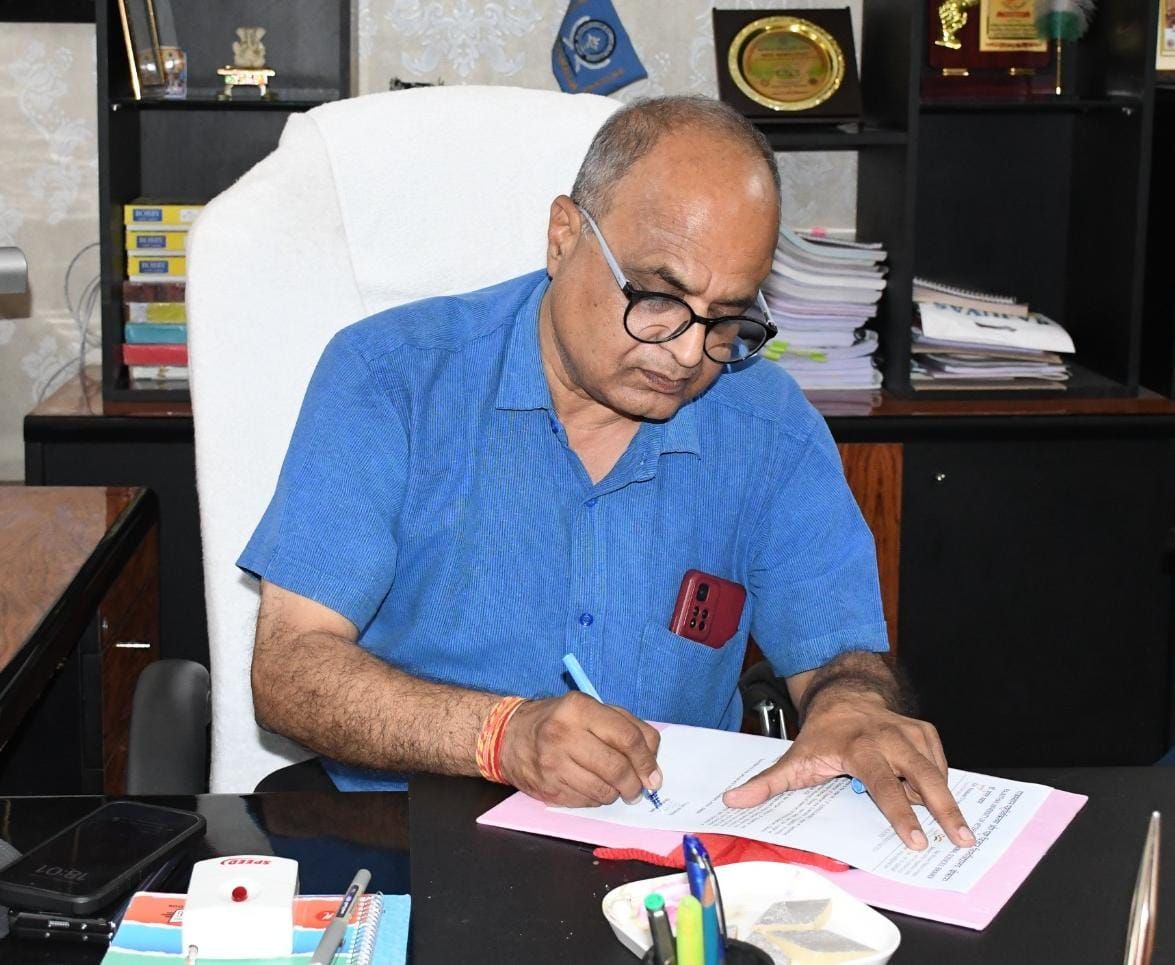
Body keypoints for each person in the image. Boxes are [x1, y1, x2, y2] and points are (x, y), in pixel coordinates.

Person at [239, 95, 974, 852]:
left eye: (726, 318)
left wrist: (852, 706)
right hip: (407, 837)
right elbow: (290, 670)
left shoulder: (767, 425)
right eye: (657, 297)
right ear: (564, 237)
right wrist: (499, 735)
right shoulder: (393, 377)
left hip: (670, 849)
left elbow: (839, 657)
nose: (686, 354)